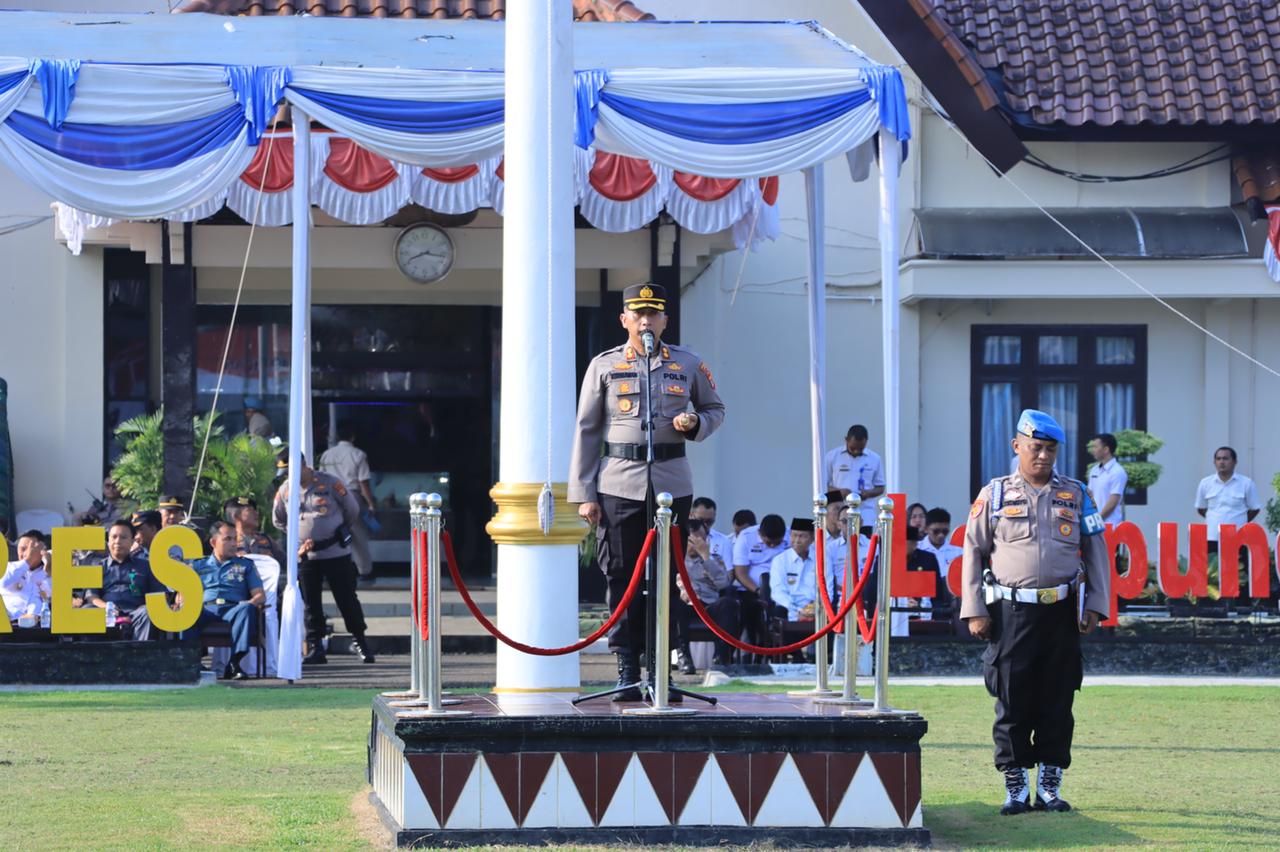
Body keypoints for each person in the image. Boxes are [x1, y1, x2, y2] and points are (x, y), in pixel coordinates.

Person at [568, 281, 726, 700]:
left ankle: (662, 668)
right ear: (624, 320)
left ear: (664, 320)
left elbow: (715, 409)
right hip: (619, 483)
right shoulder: (604, 365)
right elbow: (586, 430)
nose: (645, 321)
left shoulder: (687, 364)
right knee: (621, 576)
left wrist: (696, 424)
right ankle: (625, 668)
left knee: (667, 577)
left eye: (653, 313)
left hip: (671, 484)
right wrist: (584, 492)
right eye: (637, 314)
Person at [961, 409, 1110, 816]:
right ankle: (1014, 785)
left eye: (1050, 449)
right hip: (1011, 613)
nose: (1043, 456)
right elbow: (972, 552)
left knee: (1058, 698)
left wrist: (1095, 604)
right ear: (1017, 446)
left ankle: (1049, 783)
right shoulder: (993, 495)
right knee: (1012, 699)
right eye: (1035, 447)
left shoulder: (1078, 493)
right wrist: (975, 609)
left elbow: (1096, 550)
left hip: (1061, 611)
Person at [272, 455, 374, 664]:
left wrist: (335, 532)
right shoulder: (285, 489)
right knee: (311, 603)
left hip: (335, 551)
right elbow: (278, 519)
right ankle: (315, 646)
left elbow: (352, 510)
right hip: (306, 556)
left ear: (302, 465)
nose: (289, 476)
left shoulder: (329, 482)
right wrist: (297, 536)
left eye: (292, 470)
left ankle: (360, 642)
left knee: (346, 599)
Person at [184, 522, 266, 680]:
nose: (234, 543)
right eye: (228, 539)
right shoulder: (197, 566)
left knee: (247, 610)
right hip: (205, 609)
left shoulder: (245, 565)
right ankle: (193, 662)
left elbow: (260, 595)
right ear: (213, 542)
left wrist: (251, 603)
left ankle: (234, 664)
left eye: (235, 539)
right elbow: (184, 593)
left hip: (233, 609)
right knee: (185, 613)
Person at [1195, 446, 1263, 603]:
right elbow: (1201, 508)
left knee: (1240, 573)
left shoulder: (1246, 483)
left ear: (1234, 462)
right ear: (1214, 462)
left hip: (1237, 537)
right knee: (1210, 572)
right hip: (1212, 537)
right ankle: (1211, 604)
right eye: (1218, 459)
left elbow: (1254, 508)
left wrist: (1239, 522)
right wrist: (1216, 520)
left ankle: (1242, 604)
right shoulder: (1205, 483)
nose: (1222, 462)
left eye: (1226, 459)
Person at [673, 516, 739, 671]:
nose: (700, 544)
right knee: (674, 605)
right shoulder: (675, 558)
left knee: (728, 604)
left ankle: (720, 658)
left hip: (709, 604)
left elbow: (723, 583)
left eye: (703, 539)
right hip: (686, 604)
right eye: (695, 540)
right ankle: (684, 658)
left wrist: (706, 558)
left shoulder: (713, 559)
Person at [83, 520, 167, 641]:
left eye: (123, 537)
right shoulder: (97, 567)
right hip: (106, 612)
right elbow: (91, 595)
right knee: (87, 610)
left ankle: (139, 655)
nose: (117, 541)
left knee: (149, 612)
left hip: (136, 613)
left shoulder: (146, 566)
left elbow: (158, 594)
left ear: (132, 541)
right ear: (108, 541)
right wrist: (105, 607)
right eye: (114, 537)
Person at [319, 428, 378, 583]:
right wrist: (371, 504)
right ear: (353, 436)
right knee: (358, 534)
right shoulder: (358, 454)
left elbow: (321, 478)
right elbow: (363, 482)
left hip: (331, 496)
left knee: (330, 533)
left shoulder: (327, 454)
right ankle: (365, 571)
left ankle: (327, 570)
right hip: (352, 495)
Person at [731, 514, 789, 655]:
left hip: (784, 589)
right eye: (769, 543)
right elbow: (740, 572)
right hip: (752, 590)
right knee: (751, 609)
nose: (773, 546)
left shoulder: (791, 535)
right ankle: (756, 647)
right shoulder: (746, 537)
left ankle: (786, 648)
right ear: (760, 534)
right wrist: (758, 590)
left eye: (777, 543)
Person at [825, 425, 886, 533]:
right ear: (846, 440)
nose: (856, 451)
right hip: (839, 514)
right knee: (840, 546)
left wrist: (868, 493)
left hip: (865, 514)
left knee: (864, 546)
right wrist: (839, 492)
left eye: (861, 448)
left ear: (866, 442)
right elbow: (823, 485)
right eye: (853, 448)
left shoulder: (875, 458)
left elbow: (880, 487)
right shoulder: (832, 456)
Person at [768, 518, 820, 622]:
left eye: (802, 536)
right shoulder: (780, 560)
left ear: (812, 538)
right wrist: (798, 610)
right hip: (788, 607)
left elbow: (827, 590)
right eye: (794, 535)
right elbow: (777, 592)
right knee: (778, 612)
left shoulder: (821, 559)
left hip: (816, 608)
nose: (797, 540)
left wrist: (814, 608)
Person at [2, 530, 51, 620]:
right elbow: (3, 582)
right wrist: (29, 559)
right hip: (9, 625)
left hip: (40, 626)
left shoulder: (48, 568)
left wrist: (47, 571)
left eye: (32, 549)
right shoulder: (9, 567)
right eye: (23, 549)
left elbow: (52, 594)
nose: (27, 553)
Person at [227, 496, 286, 568]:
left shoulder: (266, 540)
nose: (256, 513)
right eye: (250, 510)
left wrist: (298, 555)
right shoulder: (229, 541)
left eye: (255, 510)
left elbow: (285, 562)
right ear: (236, 516)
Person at [1086, 433, 1128, 525]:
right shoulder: (1094, 469)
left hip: (1110, 524)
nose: (1093, 450)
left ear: (1106, 449)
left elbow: (1113, 501)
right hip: (1094, 523)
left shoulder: (1118, 472)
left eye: (1096, 447)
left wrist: (1098, 519)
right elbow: (1089, 494)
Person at [690, 497, 732, 567]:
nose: (705, 525)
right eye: (700, 520)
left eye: (709, 521)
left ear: (714, 518)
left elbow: (728, 574)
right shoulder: (679, 537)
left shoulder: (724, 541)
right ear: (691, 515)